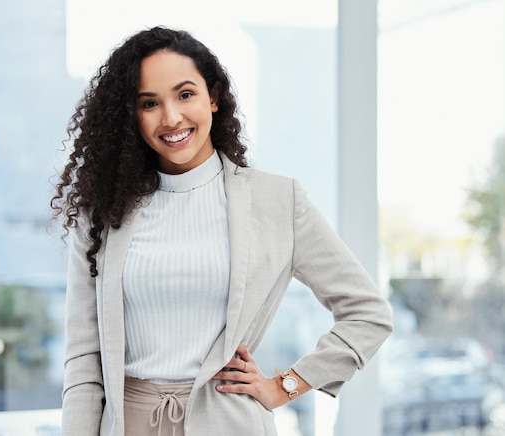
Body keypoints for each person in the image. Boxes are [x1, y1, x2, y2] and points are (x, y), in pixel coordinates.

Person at [51, 26, 393, 436]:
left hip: (230, 423)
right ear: (132, 116)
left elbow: (368, 313)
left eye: (185, 94)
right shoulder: (102, 213)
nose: (171, 117)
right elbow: (84, 362)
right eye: (149, 103)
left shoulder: (277, 201)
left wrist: (286, 386)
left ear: (212, 97)